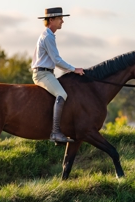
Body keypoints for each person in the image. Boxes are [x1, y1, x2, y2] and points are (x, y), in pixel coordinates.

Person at [31, 7, 85, 143]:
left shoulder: (49, 35)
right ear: (51, 20)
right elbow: (57, 60)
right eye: (60, 18)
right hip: (42, 74)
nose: (62, 21)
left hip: (47, 72)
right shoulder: (48, 36)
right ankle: (55, 132)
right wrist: (74, 69)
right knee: (62, 94)